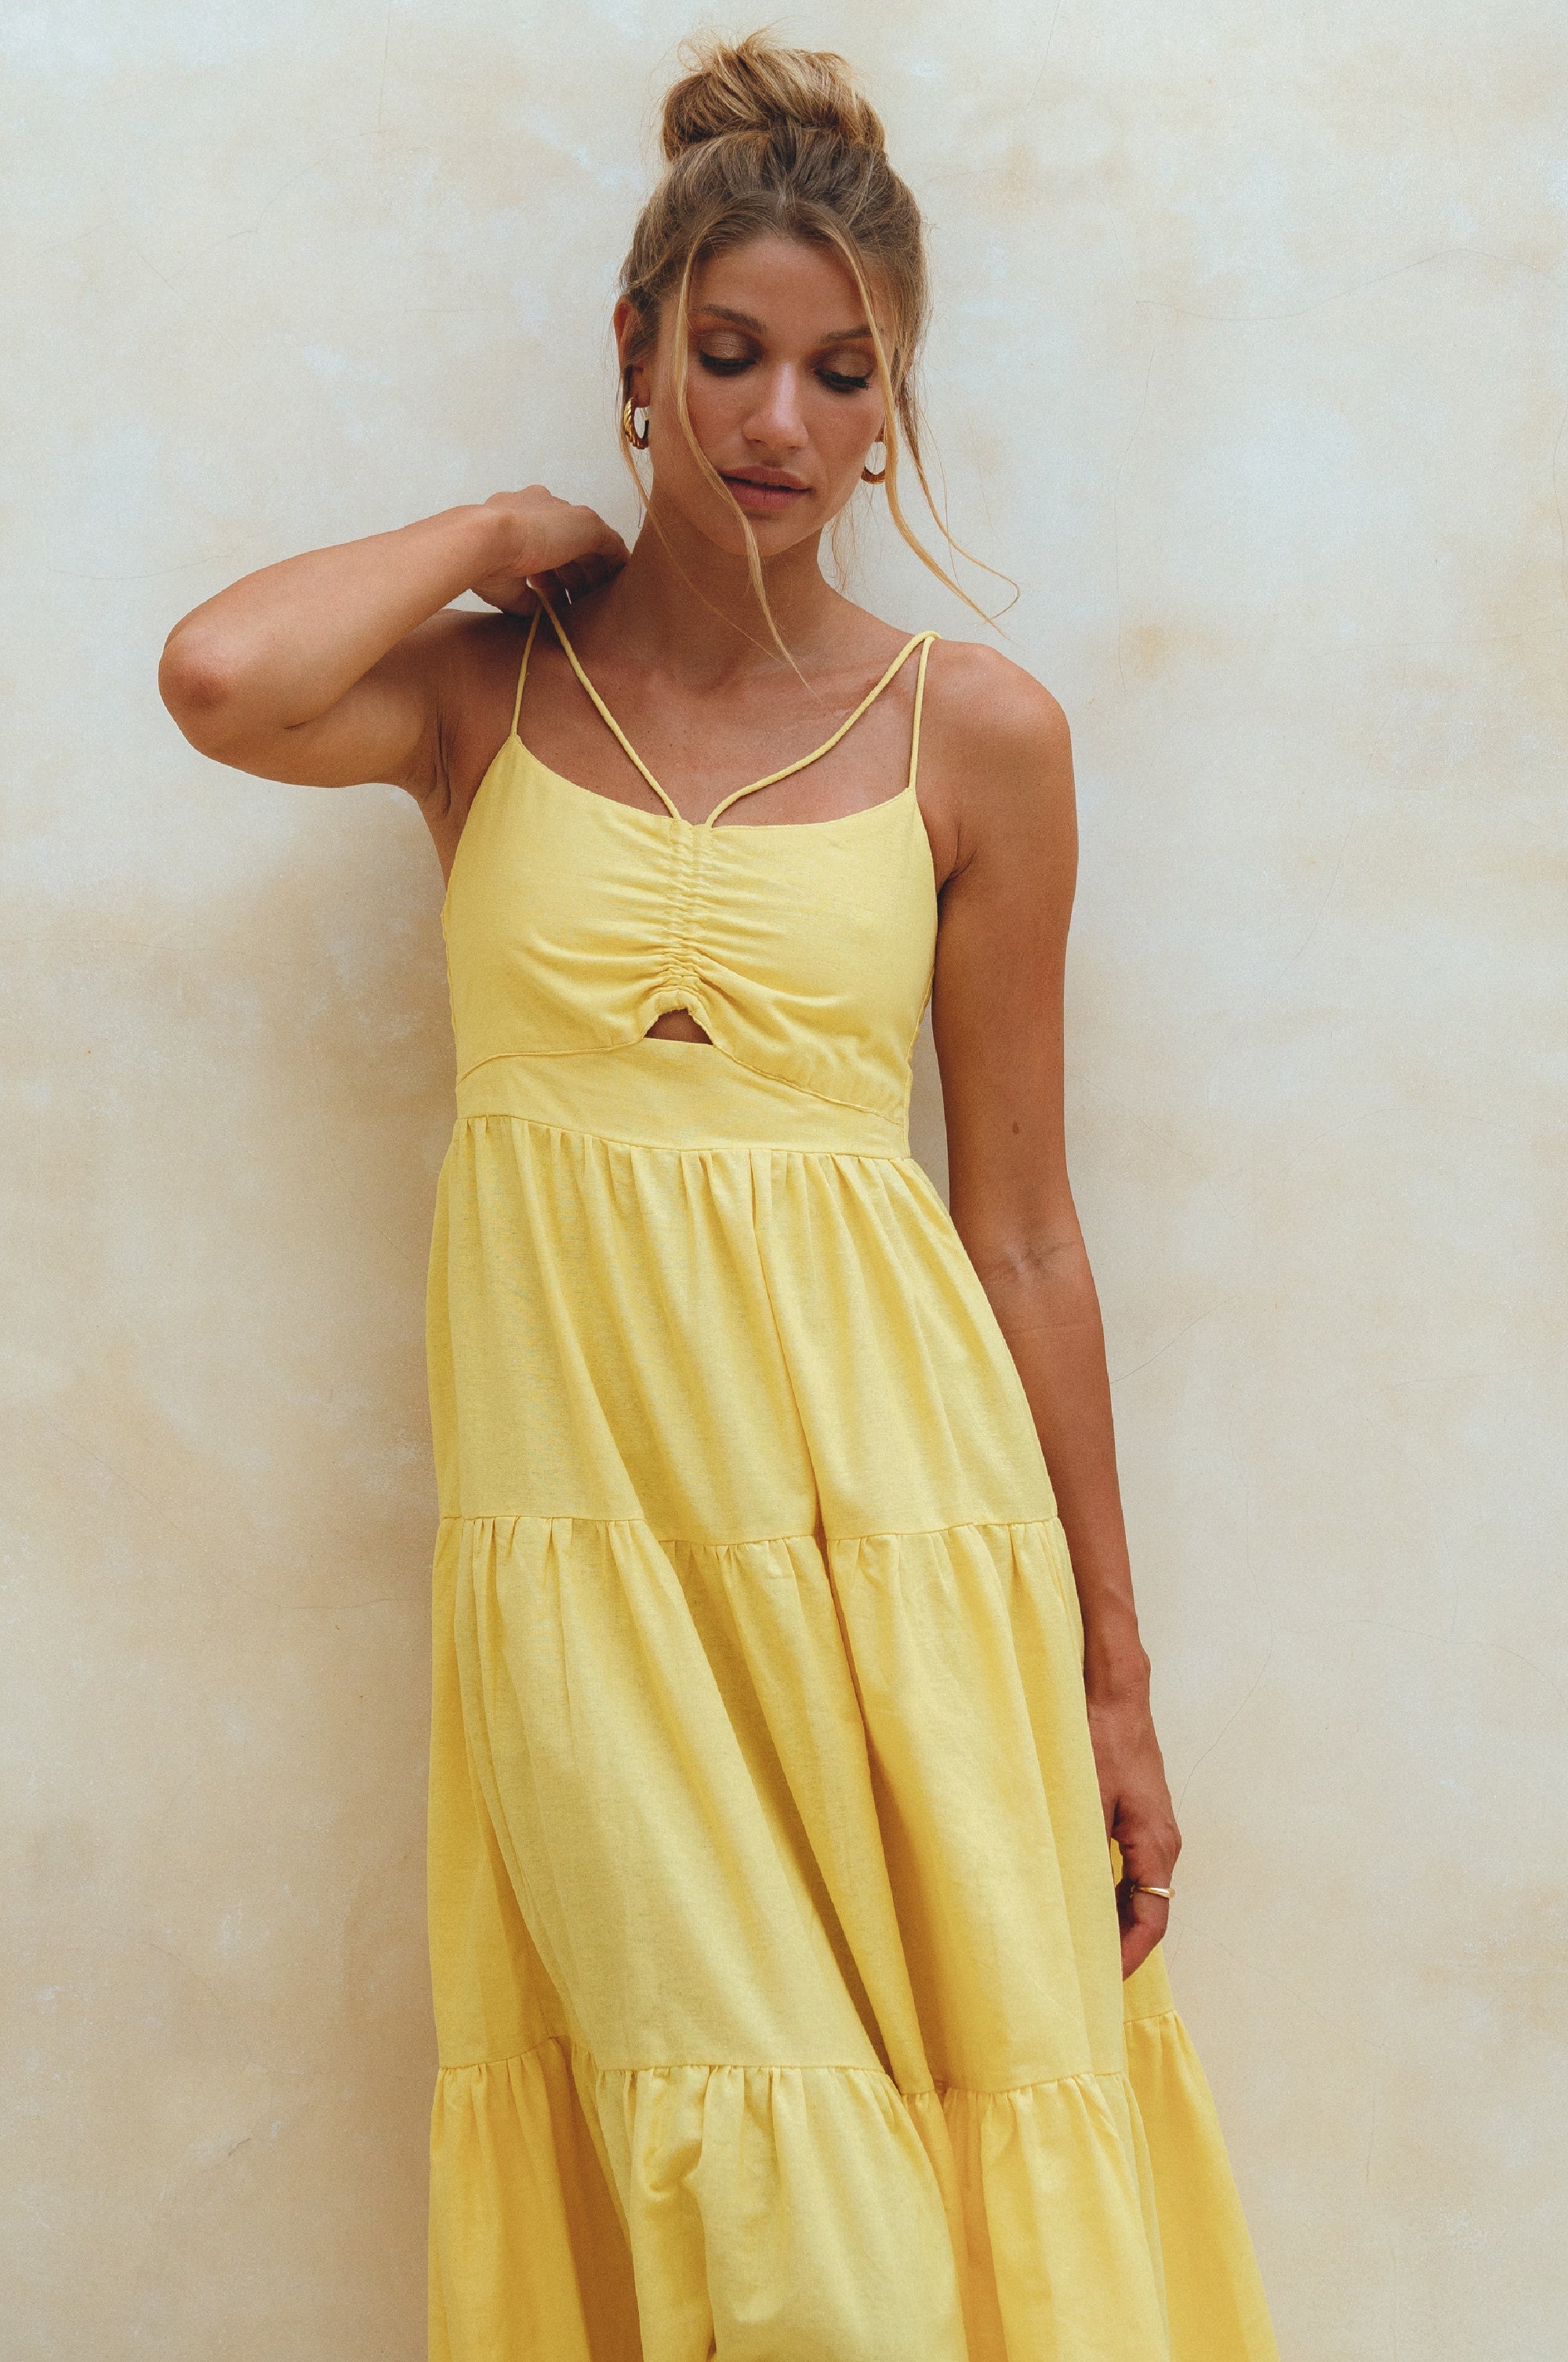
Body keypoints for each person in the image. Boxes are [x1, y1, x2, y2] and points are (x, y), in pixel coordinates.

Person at [159, 31, 1279, 2362]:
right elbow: (221, 676)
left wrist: (1115, 1676)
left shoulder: (977, 735)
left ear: (893, 410)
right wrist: (498, 534)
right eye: (732, 352)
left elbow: (1025, 1231)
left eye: (842, 374)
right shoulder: (488, 699)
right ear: (641, 352)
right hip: (589, 1559)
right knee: (779, 2233)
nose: (779, 419)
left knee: (922, 2206)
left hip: (900, 1539)